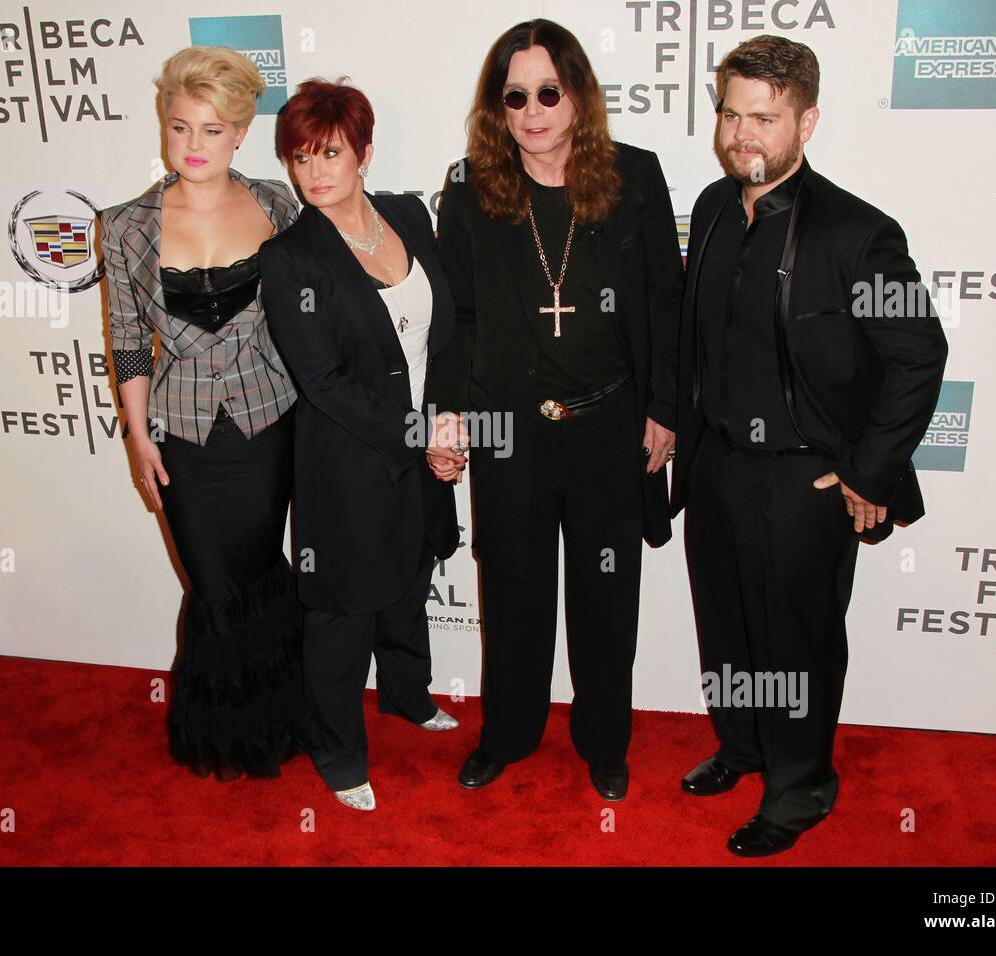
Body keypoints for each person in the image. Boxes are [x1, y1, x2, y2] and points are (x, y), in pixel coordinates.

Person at [672, 35, 948, 856]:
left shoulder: (861, 235)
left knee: (796, 642)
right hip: (719, 462)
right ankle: (744, 746)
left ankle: (800, 786)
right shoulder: (716, 207)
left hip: (803, 481)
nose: (742, 134)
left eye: (765, 117)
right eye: (730, 113)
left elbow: (919, 355)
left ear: (807, 122)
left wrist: (867, 470)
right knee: (726, 627)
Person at [430, 19, 684, 802]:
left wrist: (667, 405)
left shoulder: (635, 178)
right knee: (512, 589)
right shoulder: (471, 191)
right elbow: (458, 317)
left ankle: (605, 741)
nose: (534, 109)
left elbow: (665, 302)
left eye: (549, 90)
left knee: (608, 595)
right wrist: (449, 413)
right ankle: (507, 733)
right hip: (512, 431)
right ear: (496, 107)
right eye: (516, 95)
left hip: (610, 423)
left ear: (576, 94)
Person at [99, 46, 309, 782]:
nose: (194, 146)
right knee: (214, 584)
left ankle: (277, 724)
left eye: (213, 130)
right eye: (181, 127)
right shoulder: (125, 226)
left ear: (241, 134)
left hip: (269, 424)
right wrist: (136, 436)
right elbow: (128, 341)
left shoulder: (280, 205)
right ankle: (225, 732)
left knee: (257, 571)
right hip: (181, 436)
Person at [259, 78, 463, 812]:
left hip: (425, 442)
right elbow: (323, 382)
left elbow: (443, 333)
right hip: (347, 459)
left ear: (365, 153)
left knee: (412, 576)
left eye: (331, 153)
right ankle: (339, 752)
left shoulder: (408, 214)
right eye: (301, 157)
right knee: (343, 612)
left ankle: (408, 696)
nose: (315, 172)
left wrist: (448, 424)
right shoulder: (290, 259)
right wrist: (420, 436)